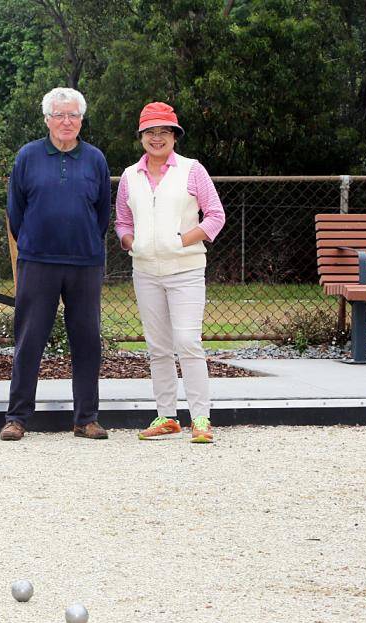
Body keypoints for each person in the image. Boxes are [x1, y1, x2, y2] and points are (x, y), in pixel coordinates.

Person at [0, 87, 112, 441]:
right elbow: (16, 211)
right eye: (60, 115)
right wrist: (34, 240)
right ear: (47, 119)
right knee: (29, 339)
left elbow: (102, 213)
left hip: (84, 262)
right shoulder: (28, 156)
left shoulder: (95, 159)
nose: (67, 121)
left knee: (87, 341)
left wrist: (85, 241)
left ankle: (86, 418)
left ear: (81, 120)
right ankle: (17, 418)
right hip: (38, 261)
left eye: (73, 115)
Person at [114, 102, 226, 443]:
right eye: (150, 132)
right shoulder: (130, 176)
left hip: (186, 269)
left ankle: (201, 418)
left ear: (175, 136)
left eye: (164, 131)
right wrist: (131, 242)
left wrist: (182, 240)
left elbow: (215, 216)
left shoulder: (193, 170)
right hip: (146, 271)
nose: (157, 138)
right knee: (158, 347)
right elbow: (122, 221)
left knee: (188, 342)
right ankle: (166, 416)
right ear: (141, 137)